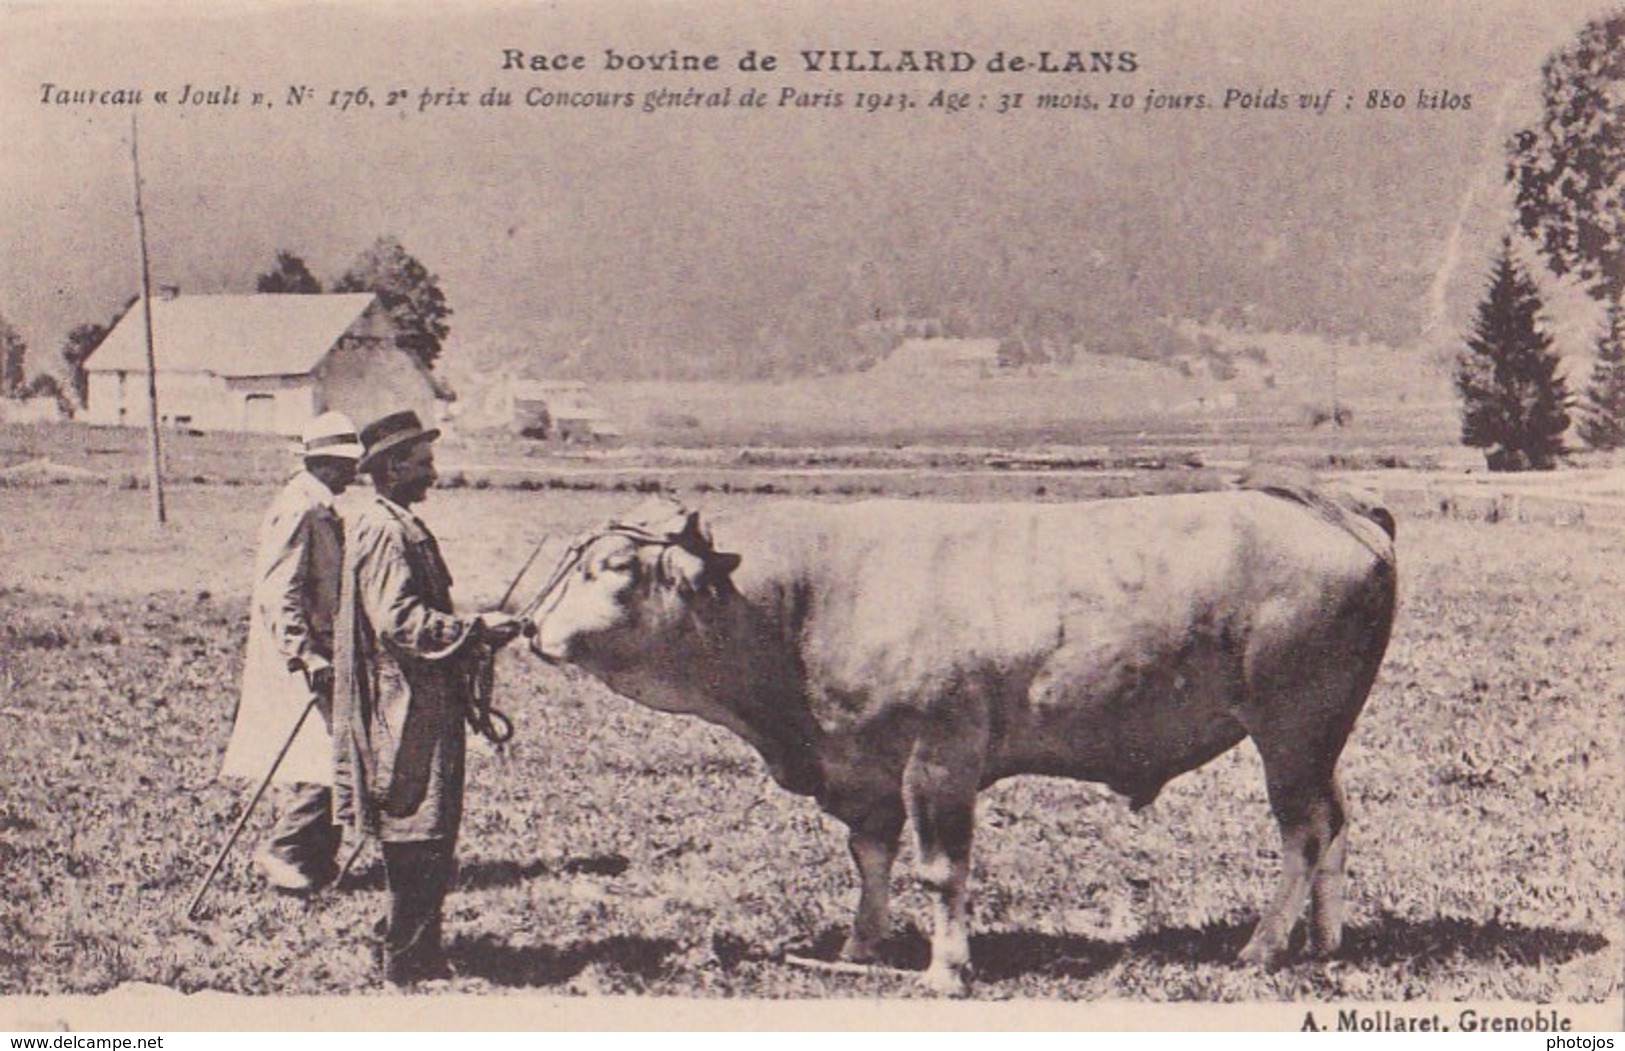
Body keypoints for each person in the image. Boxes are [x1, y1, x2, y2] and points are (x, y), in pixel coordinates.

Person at [331, 409, 523, 985]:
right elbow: (399, 621)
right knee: (415, 826)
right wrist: (473, 630)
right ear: (394, 467)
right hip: (401, 705)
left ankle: (415, 948)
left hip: (420, 700)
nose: (432, 474)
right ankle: (407, 960)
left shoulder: (394, 522)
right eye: (424, 463)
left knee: (428, 826)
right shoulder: (386, 530)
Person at [219, 411, 364, 893]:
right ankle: (285, 853)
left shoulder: (318, 504)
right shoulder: (299, 508)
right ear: (322, 463)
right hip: (301, 657)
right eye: (345, 464)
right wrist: (306, 655)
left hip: (318, 651)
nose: (353, 473)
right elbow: (280, 590)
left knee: (330, 754)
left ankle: (315, 859)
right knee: (320, 758)